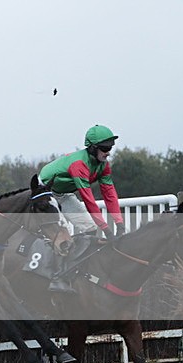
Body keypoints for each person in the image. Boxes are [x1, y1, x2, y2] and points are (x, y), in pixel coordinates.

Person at [39, 124, 125, 292]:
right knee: (61, 235)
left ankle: (76, 270)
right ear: (93, 148)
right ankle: (56, 276)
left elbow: (110, 194)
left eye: (111, 147)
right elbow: (89, 199)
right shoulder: (79, 164)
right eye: (105, 148)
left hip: (63, 194)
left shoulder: (103, 165)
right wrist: (107, 229)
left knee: (89, 229)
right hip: (45, 193)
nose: (108, 152)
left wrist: (119, 223)